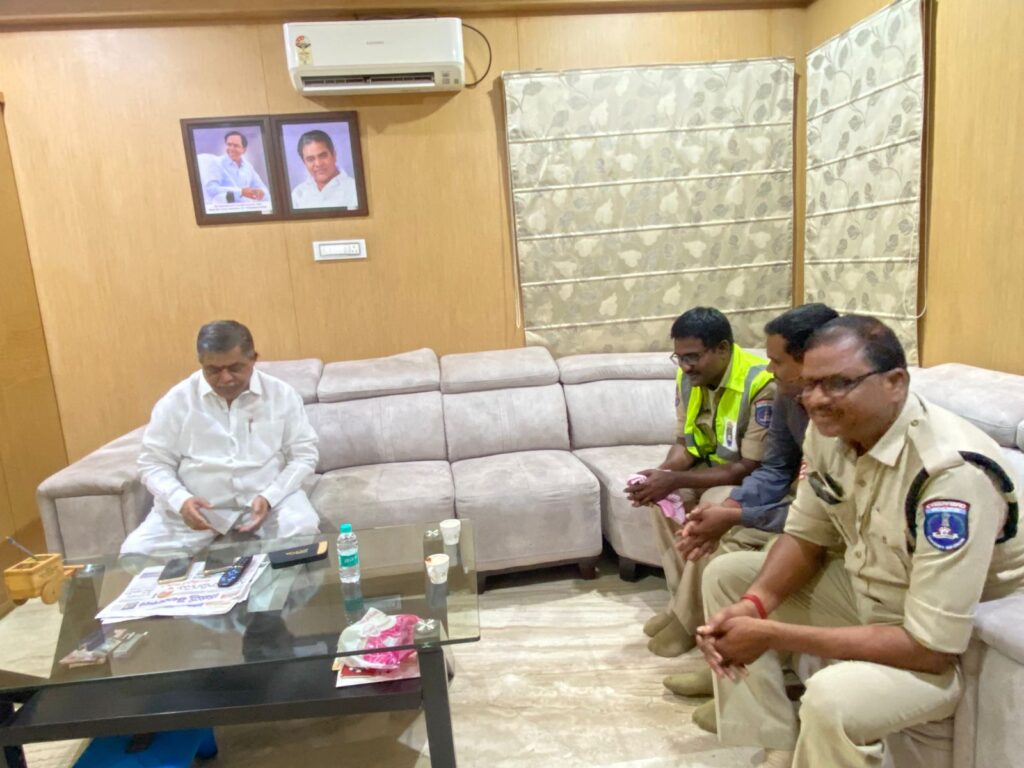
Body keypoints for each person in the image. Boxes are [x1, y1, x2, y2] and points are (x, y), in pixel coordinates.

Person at [696, 316, 1024, 768]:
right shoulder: (829, 433)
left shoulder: (952, 475)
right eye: (809, 384)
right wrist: (755, 606)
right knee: (729, 577)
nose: (816, 400)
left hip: (944, 636)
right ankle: (776, 743)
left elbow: (930, 649)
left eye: (838, 383)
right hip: (872, 591)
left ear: (895, 383)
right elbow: (806, 535)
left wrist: (772, 634)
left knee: (832, 697)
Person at [663, 303, 838, 709]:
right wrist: (730, 508)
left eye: (777, 361)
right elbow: (776, 468)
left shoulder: (836, 417)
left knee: (732, 549)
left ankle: (727, 667)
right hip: (795, 506)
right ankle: (720, 663)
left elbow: (818, 512)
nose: (769, 369)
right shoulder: (789, 398)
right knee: (714, 533)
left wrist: (736, 514)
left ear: (812, 361)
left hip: (823, 530)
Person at [625, 307, 776, 657]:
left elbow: (748, 466)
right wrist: (661, 477)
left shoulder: (760, 384)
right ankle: (681, 604)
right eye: (679, 358)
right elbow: (685, 444)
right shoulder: (687, 379)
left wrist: (674, 478)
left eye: (692, 357)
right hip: (708, 468)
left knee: (711, 505)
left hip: (748, 479)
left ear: (722, 349)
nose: (685, 366)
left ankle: (689, 617)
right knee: (663, 499)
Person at [120, 321, 320, 558]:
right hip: (196, 508)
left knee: (302, 531)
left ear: (253, 359)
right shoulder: (176, 401)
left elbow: (304, 455)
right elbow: (153, 463)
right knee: (136, 553)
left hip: (269, 503)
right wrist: (181, 501)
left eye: (235, 368)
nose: (225, 378)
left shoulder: (281, 394)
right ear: (201, 363)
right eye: (213, 370)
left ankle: (258, 584)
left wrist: (270, 497)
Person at [290, 130, 359, 210]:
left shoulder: (354, 189)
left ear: (334, 155)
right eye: (310, 159)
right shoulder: (298, 194)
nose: (318, 164)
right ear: (304, 162)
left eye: (323, 156)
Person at [202, 131, 272, 209]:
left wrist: (262, 193)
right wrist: (241, 192)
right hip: (226, 210)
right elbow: (211, 189)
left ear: (244, 150)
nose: (231, 148)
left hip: (248, 208)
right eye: (229, 144)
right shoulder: (216, 163)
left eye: (236, 146)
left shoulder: (248, 166)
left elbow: (262, 188)